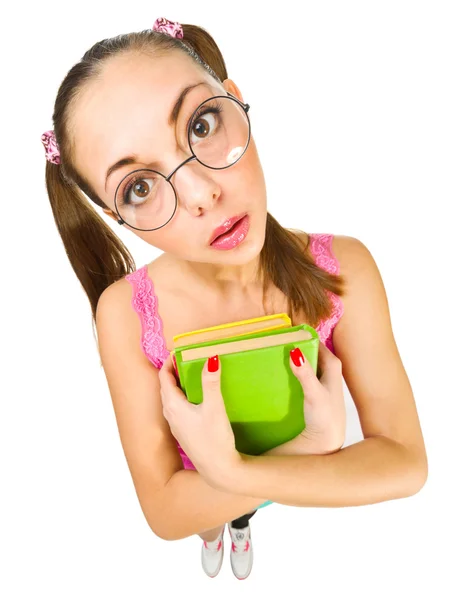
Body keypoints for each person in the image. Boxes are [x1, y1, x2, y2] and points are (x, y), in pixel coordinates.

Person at [41, 17, 428, 580]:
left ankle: (238, 524)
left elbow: (406, 465)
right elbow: (167, 510)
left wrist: (231, 470)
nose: (203, 193)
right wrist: (309, 449)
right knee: (207, 520)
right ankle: (224, 530)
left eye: (201, 124)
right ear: (112, 214)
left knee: (235, 508)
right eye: (140, 187)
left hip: (222, 480)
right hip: (223, 486)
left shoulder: (345, 269)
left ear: (236, 102)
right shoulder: (126, 314)